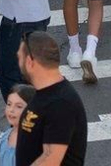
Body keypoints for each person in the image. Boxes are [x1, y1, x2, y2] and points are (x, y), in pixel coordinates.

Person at [13, 32, 88, 166]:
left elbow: (50, 159)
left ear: (30, 62)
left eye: (19, 58)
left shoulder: (61, 104)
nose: (18, 63)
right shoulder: (45, 95)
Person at [0, 85, 36, 166]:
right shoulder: (6, 136)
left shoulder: (34, 142)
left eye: (19, 106)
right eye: (9, 104)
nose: (11, 110)